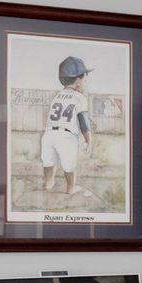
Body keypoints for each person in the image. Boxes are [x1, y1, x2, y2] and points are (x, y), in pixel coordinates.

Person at [40, 55, 93, 200]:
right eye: (84, 79)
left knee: (48, 162)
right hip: (67, 136)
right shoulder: (79, 97)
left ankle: (49, 183)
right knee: (69, 166)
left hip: (49, 135)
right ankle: (70, 188)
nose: (85, 82)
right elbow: (83, 122)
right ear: (78, 80)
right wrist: (88, 140)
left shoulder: (57, 96)